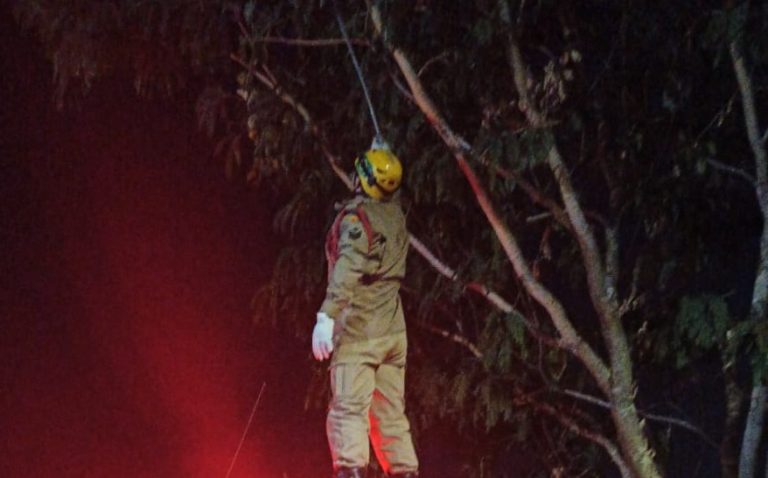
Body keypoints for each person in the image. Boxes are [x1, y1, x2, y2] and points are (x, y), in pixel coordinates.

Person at [312, 144, 419, 478]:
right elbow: (387, 192)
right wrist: (381, 156)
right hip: (393, 334)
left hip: (360, 334)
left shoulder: (358, 221)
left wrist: (326, 316)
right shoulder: (395, 213)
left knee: (348, 414)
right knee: (390, 419)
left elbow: (347, 270)